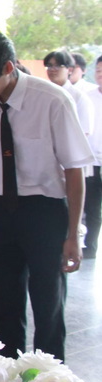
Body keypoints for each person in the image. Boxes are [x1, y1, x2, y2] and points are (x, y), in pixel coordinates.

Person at [0, 30, 93, 360]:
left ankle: (49, 379)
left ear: (8, 68)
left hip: (46, 212)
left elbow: (74, 171)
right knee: (3, 300)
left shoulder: (52, 100)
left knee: (48, 302)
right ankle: (3, 377)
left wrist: (73, 234)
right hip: (3, 209)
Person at [44, 50, 94, 137]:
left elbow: (84, 132)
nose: (52, 69)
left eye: (58, 66)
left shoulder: (79, 97)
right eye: (49, 66)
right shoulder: (42, 93)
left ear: (70, 69)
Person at [84, 56, 102, 259]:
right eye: (98, 70)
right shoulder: (88, 97)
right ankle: (91, 246)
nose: (100, 74)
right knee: (93, 207)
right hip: (94, 162)